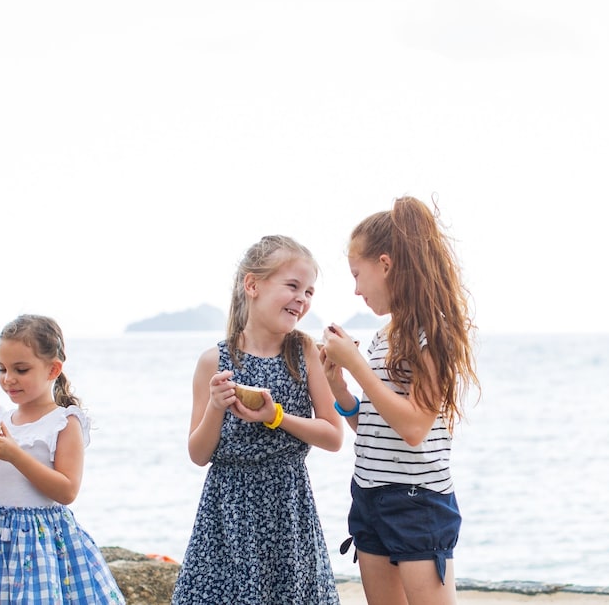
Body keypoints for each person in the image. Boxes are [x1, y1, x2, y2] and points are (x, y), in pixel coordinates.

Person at [320, 196, 480, 605]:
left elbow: (413, 428)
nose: (356, 289)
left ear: (385, 265)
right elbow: (374, 427)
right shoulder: (381, 338)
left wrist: (356, 366)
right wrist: (340, 389)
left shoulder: (432, 332)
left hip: (417, 501)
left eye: (358, 274)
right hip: (369, 495)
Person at [171, 235, 344, 605]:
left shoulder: (305, 352)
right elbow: (199, 454)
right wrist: (216, 406)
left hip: (287, 506)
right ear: (252, 285)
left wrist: (276, 416)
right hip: (228, 512)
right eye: (293, 286)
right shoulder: (213, 361)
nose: (303, 298)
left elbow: (333, 435)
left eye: (310, 291)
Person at [0, 314, 125, 604]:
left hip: (41, 540)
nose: (8, 379)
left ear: (53, 369)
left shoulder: (64, 422)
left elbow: (67, 490)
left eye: (21, 369)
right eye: (2, 369)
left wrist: (14, 454)